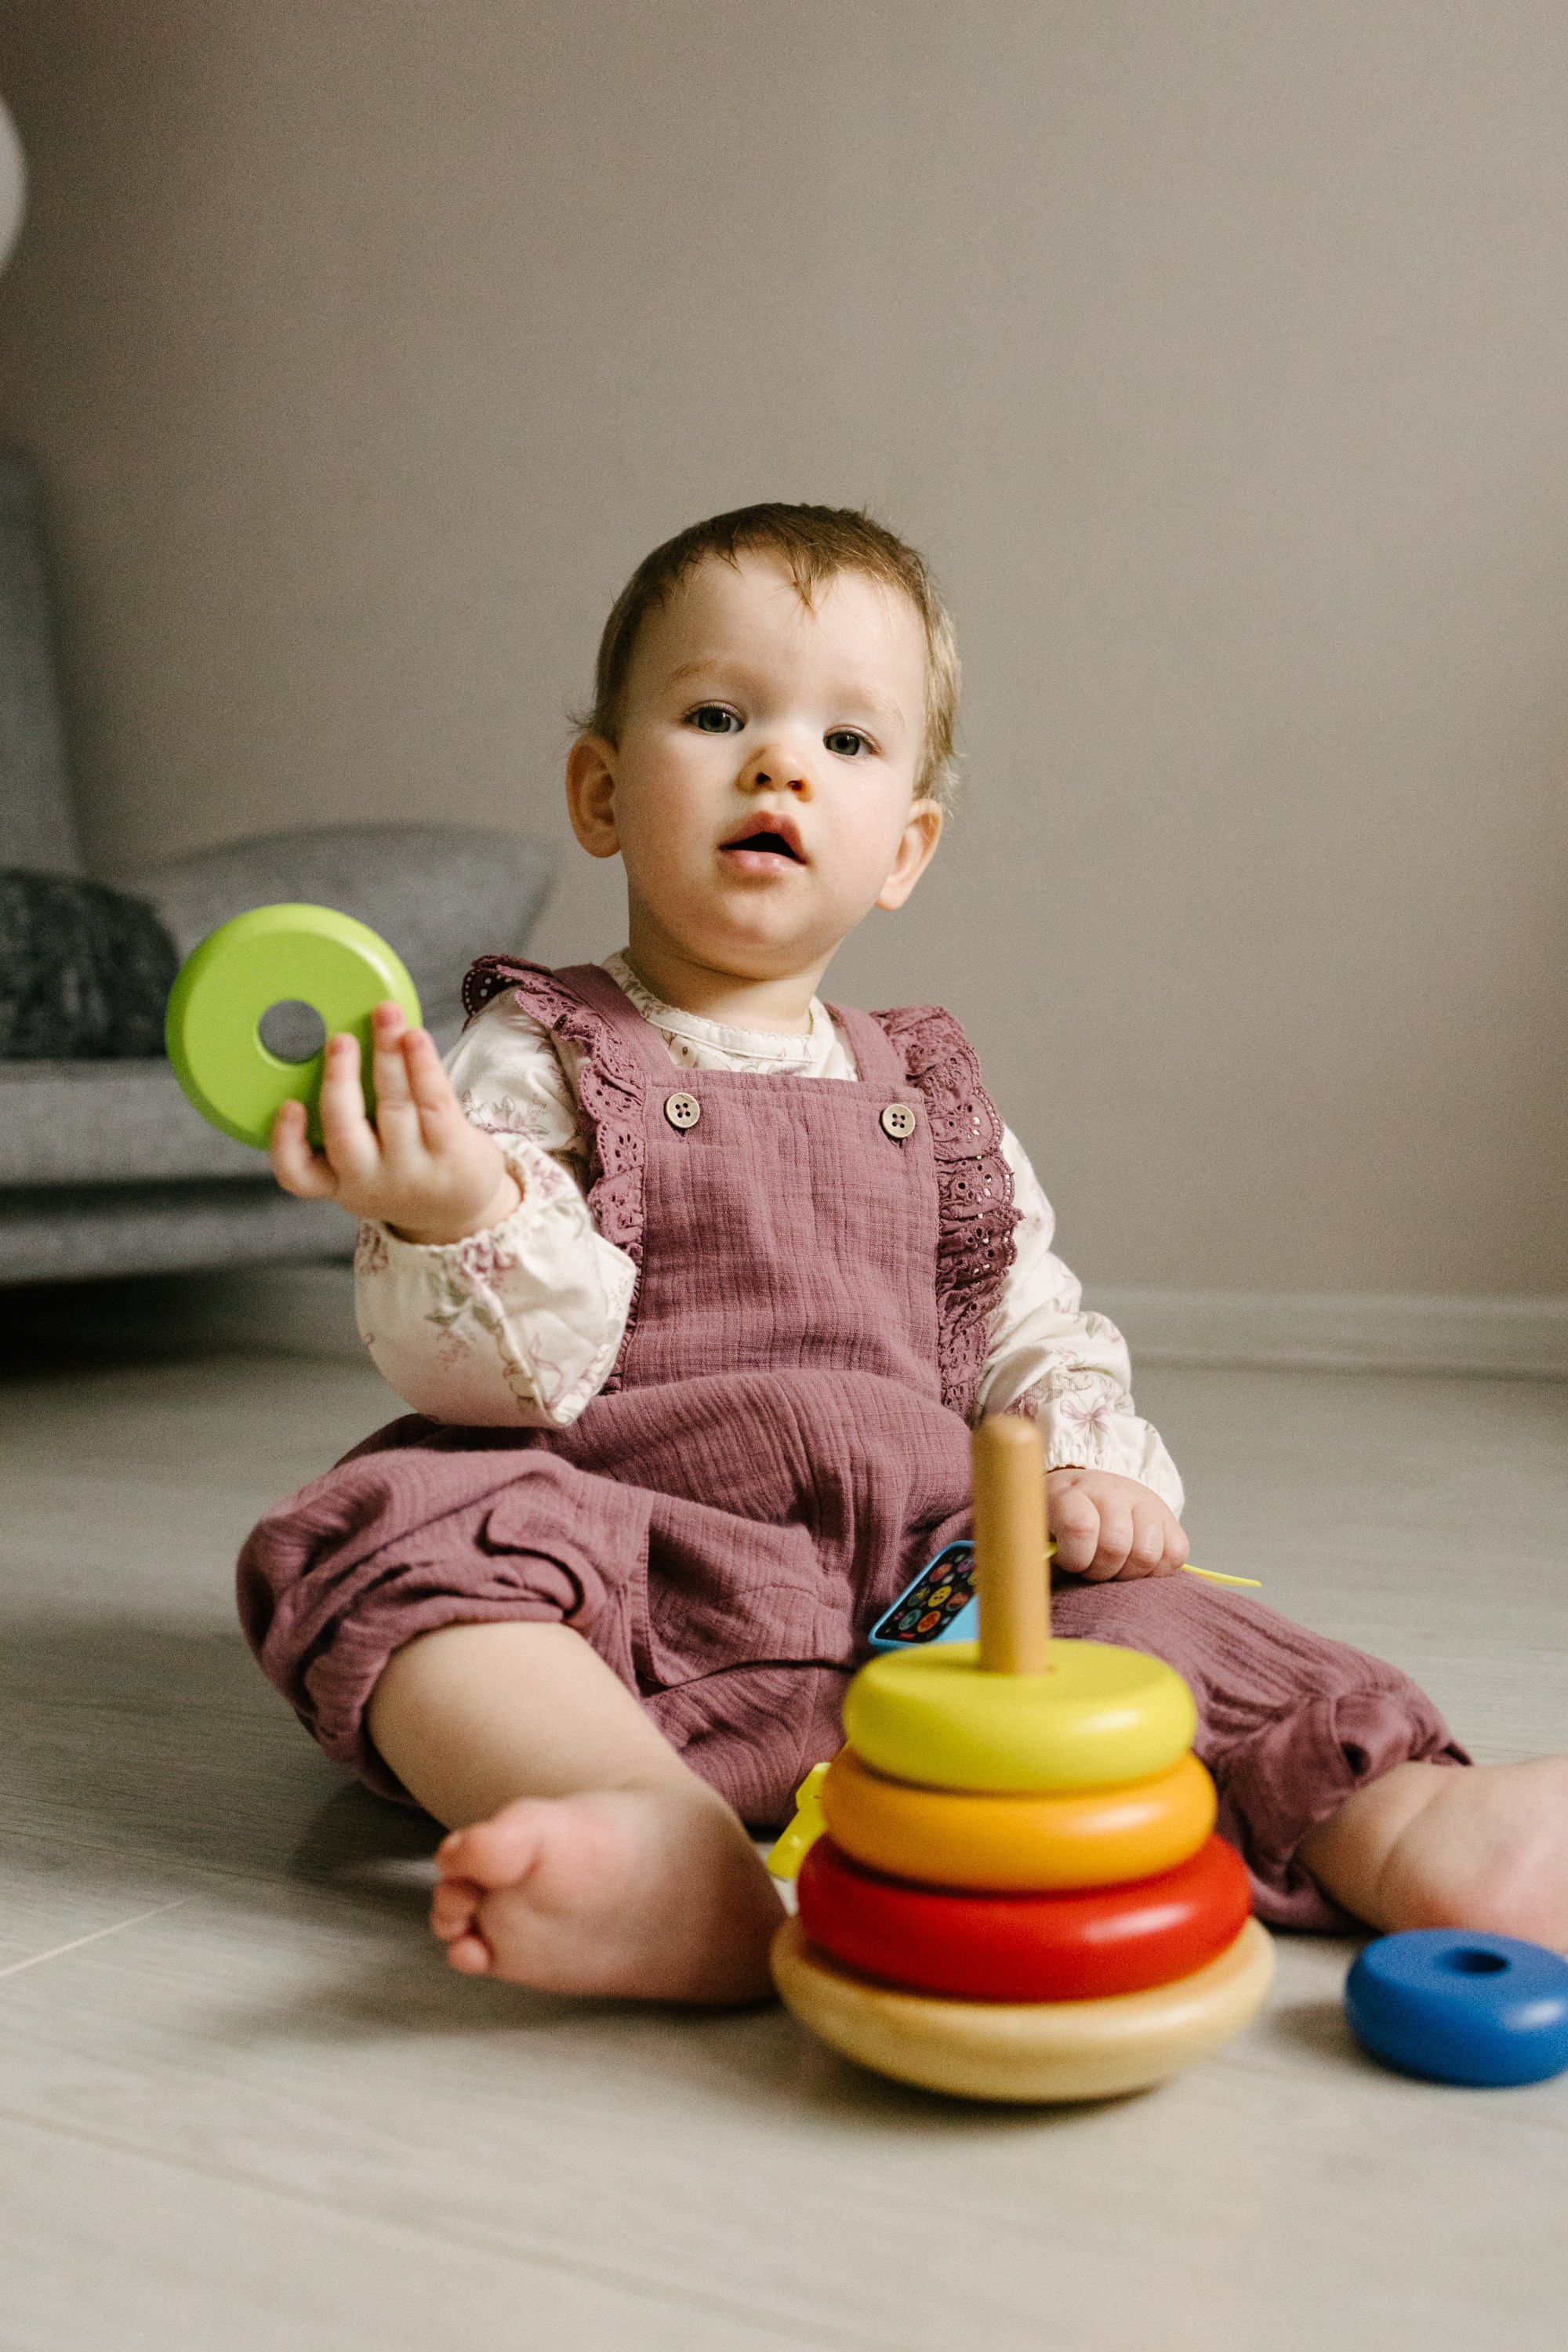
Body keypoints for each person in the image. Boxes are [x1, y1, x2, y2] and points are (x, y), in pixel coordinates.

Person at [241, 503, 1568, 2005]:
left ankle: (1421, 1829)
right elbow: (495, 1379)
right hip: (630, 1552)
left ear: (905, 852)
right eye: (718, 714)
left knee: (1173, 1628)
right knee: (395, 1545)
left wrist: (1089, 1462)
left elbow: (1029, 1323)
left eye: (849, 744)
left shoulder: (926, 1099)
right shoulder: (532, 1054)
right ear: (602, 791)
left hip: (932, 1584)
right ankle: (659, 1842)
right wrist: (451, 1212)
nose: (780, 765)